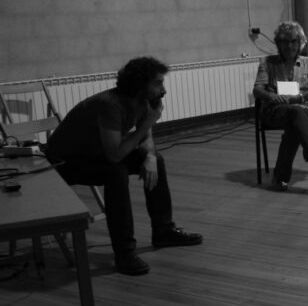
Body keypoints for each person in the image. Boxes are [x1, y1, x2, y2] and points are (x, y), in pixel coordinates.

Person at [45, 57, 203, 276]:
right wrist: (148, 123)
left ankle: (163, 231)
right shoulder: (110, 104)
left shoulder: (144, 101)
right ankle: (124, 252)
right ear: (139, 84)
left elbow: (145, 138)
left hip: (96, 155)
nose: (163, 90)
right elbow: (115, 154)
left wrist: (149, 157)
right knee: (115, 171)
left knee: (156, 160)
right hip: (63, 163)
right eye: (158, 83)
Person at [252, 21, 308, 191]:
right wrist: (271, 96)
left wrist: (300, 97)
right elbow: (257, 90)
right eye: (284, 41)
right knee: (296, 116)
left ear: (300, 42)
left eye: (293, 41)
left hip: (302, 110)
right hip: (275, 111)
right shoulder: (267, 62)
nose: (289, 46)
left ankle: (279, 178)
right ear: (278, 43)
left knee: (295, 120)